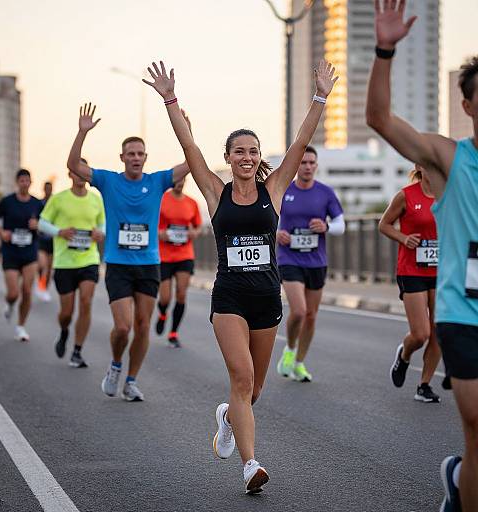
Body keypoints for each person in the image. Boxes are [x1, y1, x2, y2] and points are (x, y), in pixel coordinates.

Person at [144, 59, 337, 493]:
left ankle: (229, 417)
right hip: (229, 296)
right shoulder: (215, 191)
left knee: (254, 392)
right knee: (241, 378)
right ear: (228, 158)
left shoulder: (274, 190)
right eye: (239, 152)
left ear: (258, 157)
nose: (246, 158)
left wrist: (320, 96)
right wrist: (171, 100)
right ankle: (251, 466)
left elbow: (302, 140)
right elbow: (188, 144)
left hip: (267, 297)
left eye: (253, 151)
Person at [366, 2, 478, 510]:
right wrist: (385, 49)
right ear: (468, 105)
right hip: (464, 310)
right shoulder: (452, 158)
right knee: (476, 429)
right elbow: (380, 119)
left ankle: (461, 481)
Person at [67, 103, 190, 401]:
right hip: (119, 264)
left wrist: (188, 130)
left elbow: (191, 162)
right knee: (122, 328)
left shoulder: (157, 180)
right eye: (130, 154)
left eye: (140, 153)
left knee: (143, 325)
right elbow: (73, 165)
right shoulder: (108, 180)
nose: (135, 158)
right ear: (122, 158)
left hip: (148, 264)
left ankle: (131, 380)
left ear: (145, 158)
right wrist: (82, 133)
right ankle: (115, 365)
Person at [275, 145, 345, 382]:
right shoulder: (284, 190)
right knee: (299, 311)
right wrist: (276, 233)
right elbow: (268, 218)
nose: (307, 167)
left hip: (316, 260)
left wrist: (326, 227)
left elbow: (341, 225)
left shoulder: (325, 193)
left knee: (312, 316)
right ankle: (290, 349)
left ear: (316, 165)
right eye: (303, 163)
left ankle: (299, 363)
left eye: (311, 162)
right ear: (296, 166)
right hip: (289, 258)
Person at [379, 165, 441, 403]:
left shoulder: (448, 193)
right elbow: (384, 224)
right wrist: (404, 238)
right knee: (421, 333)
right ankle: (404, 355)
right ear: (418, 167)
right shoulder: (407, 195)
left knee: (439, 333)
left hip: (442, 270)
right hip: (412, 270)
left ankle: (424, 385)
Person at [38, 162, 105, 368]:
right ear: (70, 174)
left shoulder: (96, 199)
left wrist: (100, 233)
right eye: (76, 172)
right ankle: (64, 331)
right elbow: (42, 223)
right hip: (65, 262)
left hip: (88, 260)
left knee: (86, 302)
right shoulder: (58, 199)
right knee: (66, 312)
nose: (80, 176)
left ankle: (77, 350)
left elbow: (103, 224)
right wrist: (59, 232)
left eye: (84, 172)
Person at [0, 169, 43, 342]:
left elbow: (47, 223)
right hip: (11, 252)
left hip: (29, 252)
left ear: (31, 182)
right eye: (21, 180)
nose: (24, 183)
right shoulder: (7, 201)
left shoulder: (37, 203)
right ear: (17, 182)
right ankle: (10, 302)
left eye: (27, 180)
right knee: (13, 293)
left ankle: (21, 326)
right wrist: (0, 232)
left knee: (27, 291)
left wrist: (38, 225)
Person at [155, 176, 202, 347]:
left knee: (181, 294)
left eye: (182, 180)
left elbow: (197, 226)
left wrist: (194, 233)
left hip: (184, 254)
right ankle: (162, 314)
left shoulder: (191, 202)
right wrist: (160, 233)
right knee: (165, 297)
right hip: (164, 255)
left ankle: (173, 333)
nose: (179, 183)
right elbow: (151, 222)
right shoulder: (162, 199)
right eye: (176, 180)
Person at [36, 181, 54, 302]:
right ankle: (40, 284)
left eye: (50, 188)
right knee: (43, 266)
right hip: (41, 240)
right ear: (44, 189)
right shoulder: (39, 204)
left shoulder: (55, 203)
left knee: (49, 267)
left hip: (53, 240)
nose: (48, 190)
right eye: (46, 188)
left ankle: (45, 288)